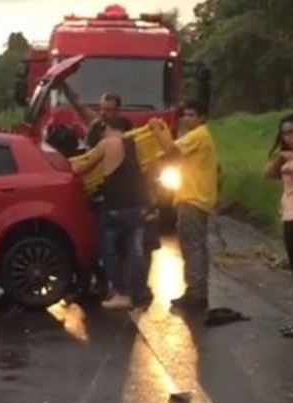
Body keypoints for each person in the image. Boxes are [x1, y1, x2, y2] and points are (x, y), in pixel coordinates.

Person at [149, 99, 219, 311]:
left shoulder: (198, 136)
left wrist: (157, 129)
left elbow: (170, 150)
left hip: (193, 198)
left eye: (191, 115)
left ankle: (197, 294)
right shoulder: (197, 136)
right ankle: (195, 291)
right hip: (193, 197)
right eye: (185, 115)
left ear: (202, 117)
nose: (187, 119)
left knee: (193, 247)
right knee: (193, 246)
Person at [73, 116, 149, 309]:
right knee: (136, 252)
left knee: (109, 253)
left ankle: (120, 293)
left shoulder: (106, 143)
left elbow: (84, 168)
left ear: (107, 127)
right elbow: (145, 171)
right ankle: (139, 294)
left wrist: (69, 165)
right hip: (137, 205)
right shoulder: (135, 145)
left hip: (115, 206)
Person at [264, 114, 293, 278]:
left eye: (291, 132)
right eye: (285, 133)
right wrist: (279, 160)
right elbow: (268, 175)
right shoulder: (285, 157)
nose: (289, 137)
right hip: (288, 212)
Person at [62, 84, 130, 148]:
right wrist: (63, 84)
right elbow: (77, 104)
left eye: (108, 110)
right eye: (102, 108)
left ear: (117, 110)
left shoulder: (125, 124)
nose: (103, 113)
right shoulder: (96, 125)